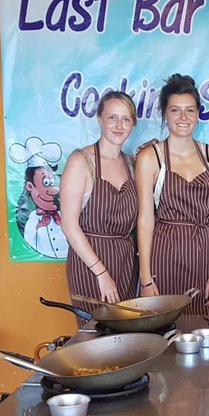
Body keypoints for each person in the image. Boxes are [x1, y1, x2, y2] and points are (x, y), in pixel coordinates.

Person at [136, 74, 209, 314]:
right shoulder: (150, 157)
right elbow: (145, 220)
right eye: (175, 110)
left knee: (202, 332)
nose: (183, 118)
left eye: (190, 110)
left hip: (203, 257)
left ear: (198, 113)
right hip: (164, 255)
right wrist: (146, 278)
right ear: (165, 114)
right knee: (163, 332)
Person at [59, 91, 139, 324]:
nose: (119, 125)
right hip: (90, 265)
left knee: (124, 337)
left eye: (126, 119)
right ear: (99, 119)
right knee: (96, 339)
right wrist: (101, 274)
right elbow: (69, 226)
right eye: (112, 117)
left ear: (133, 123)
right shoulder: (81, 161)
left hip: (125, 264)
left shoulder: (130, 164)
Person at [9, 137, 70, 259]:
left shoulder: (67, 215)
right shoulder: (33, 219)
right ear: (30, 186)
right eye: (46, 183)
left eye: (54, 182)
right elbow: (29, 238)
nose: (54, 191)